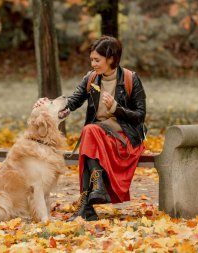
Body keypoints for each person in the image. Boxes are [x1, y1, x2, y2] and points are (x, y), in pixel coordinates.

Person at [35, 35, 147, 221]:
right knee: (90, 132)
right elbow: (72, 101)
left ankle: (86, 204)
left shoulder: (130, 79)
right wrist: (49, 106)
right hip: (98, 137)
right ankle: (95, 189)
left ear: (111, 59)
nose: (93, 64)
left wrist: (115, 108)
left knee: (90, 133)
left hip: (125, 138)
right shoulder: (91, 78)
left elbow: (140, 115)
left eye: (97, 60)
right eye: (92, 60)